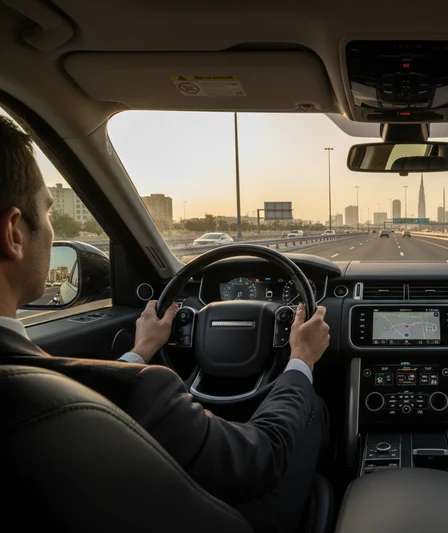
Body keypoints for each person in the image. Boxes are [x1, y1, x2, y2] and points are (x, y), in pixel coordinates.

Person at [0, 115, 330, 532]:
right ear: (13, 233)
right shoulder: (142, 389)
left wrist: (140, 351)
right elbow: (259, 459)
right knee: (309, 408)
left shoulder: (55, 388)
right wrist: (300, 361)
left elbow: (89, 392)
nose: (50, 230)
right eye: (47, 213)